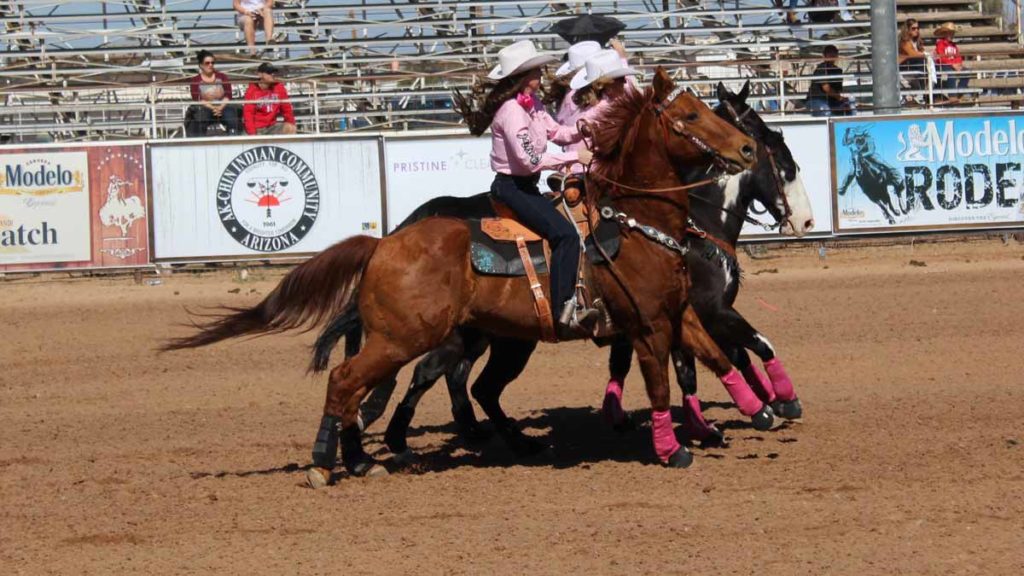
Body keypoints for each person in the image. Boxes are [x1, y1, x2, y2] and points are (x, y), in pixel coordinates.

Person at [452, 40, 599, 336]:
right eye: (536, 70)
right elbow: (529, 160)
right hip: (513, 188)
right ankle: (563, 309)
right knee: (566, 235)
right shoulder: (512, 111)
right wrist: (574, 157)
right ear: (523, 76)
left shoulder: (532, 105)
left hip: (524, 186)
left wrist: (580, 128)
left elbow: (557, 132)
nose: (542, 74)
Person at [185, 50, 243, 137]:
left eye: (212, 62)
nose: (210, 65)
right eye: (207, 63)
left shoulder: (222, 77)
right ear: (201, 65)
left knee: (231, 116)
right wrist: (213, 108)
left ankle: (234, 138)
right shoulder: (196, 80)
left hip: (223, 106)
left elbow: (228, 95)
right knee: (201, 117)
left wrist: (220, 107)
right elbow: (197, 98)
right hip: (206, 107)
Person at [243, 62, 297, 135]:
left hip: (272, 126)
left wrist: (292, 123)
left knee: (291, 128)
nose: (272, 74)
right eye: (269, 72)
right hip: (257, 129)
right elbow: (248, 114)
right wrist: (253, 134)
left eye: (273, 72)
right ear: (260, 74)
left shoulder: (279, 87)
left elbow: (287, 109)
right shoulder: (252, 90)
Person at [805, 44, 853, 116]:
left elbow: (839, 89)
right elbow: (826, 88)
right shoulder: (821, 68)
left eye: (834, 53)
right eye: (829, 53)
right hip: (816, 99)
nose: (832, 55)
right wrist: (839, 98)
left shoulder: (838, 70)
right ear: (824, 56)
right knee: (825, 110)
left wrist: (843, 100)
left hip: (832, 100)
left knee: (851, 104)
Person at [934, 22, 969, 103]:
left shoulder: (954, 45)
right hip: (943, 65)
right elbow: (940, 57)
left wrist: (959, 64)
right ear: (944, 34)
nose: (951, 35)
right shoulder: (940, 44)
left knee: (966, 71)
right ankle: (952, 95)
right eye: (949, 33)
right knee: (950, 72)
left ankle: (959, 93)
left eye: (952, 33)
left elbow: (958, 56)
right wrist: (952, 64)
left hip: (953, 65)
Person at [898, 19, 928, 98]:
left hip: (915, 66)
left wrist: (926, 55)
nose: (916, 30)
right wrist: (925, 55)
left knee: (935, 66)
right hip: (904, 67)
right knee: (920, 60)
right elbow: (912, 54)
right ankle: (925, 93)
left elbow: (922, 52)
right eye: (913, 28)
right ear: (907, 29)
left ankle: (930, 94)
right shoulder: (904, 42)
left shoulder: (917, 42)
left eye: (918, 28)